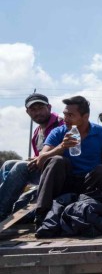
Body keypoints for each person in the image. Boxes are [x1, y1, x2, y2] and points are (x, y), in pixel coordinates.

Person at [34, 96, 102, 227]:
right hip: (65, 182)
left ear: (85, 117)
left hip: (88, 184)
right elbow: (41, 160)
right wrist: (61, 147)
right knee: (56, 160)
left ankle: (96, 210)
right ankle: (42, 215)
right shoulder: (58, 132)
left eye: (71, 115)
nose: (66, 119)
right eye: (65, 114)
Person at [0, 93, 63, 221]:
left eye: (40, 108)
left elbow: (67, 150)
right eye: (33, 109)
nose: (37, 112)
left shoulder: (60, 124)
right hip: (43, 171)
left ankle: (1, 212)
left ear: (49, 108)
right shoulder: (37, 132)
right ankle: (5, 201)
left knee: (21, 167)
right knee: (8, 164)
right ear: (27, 112)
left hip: (59, 173)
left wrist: (39, 159)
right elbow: (38, 156)